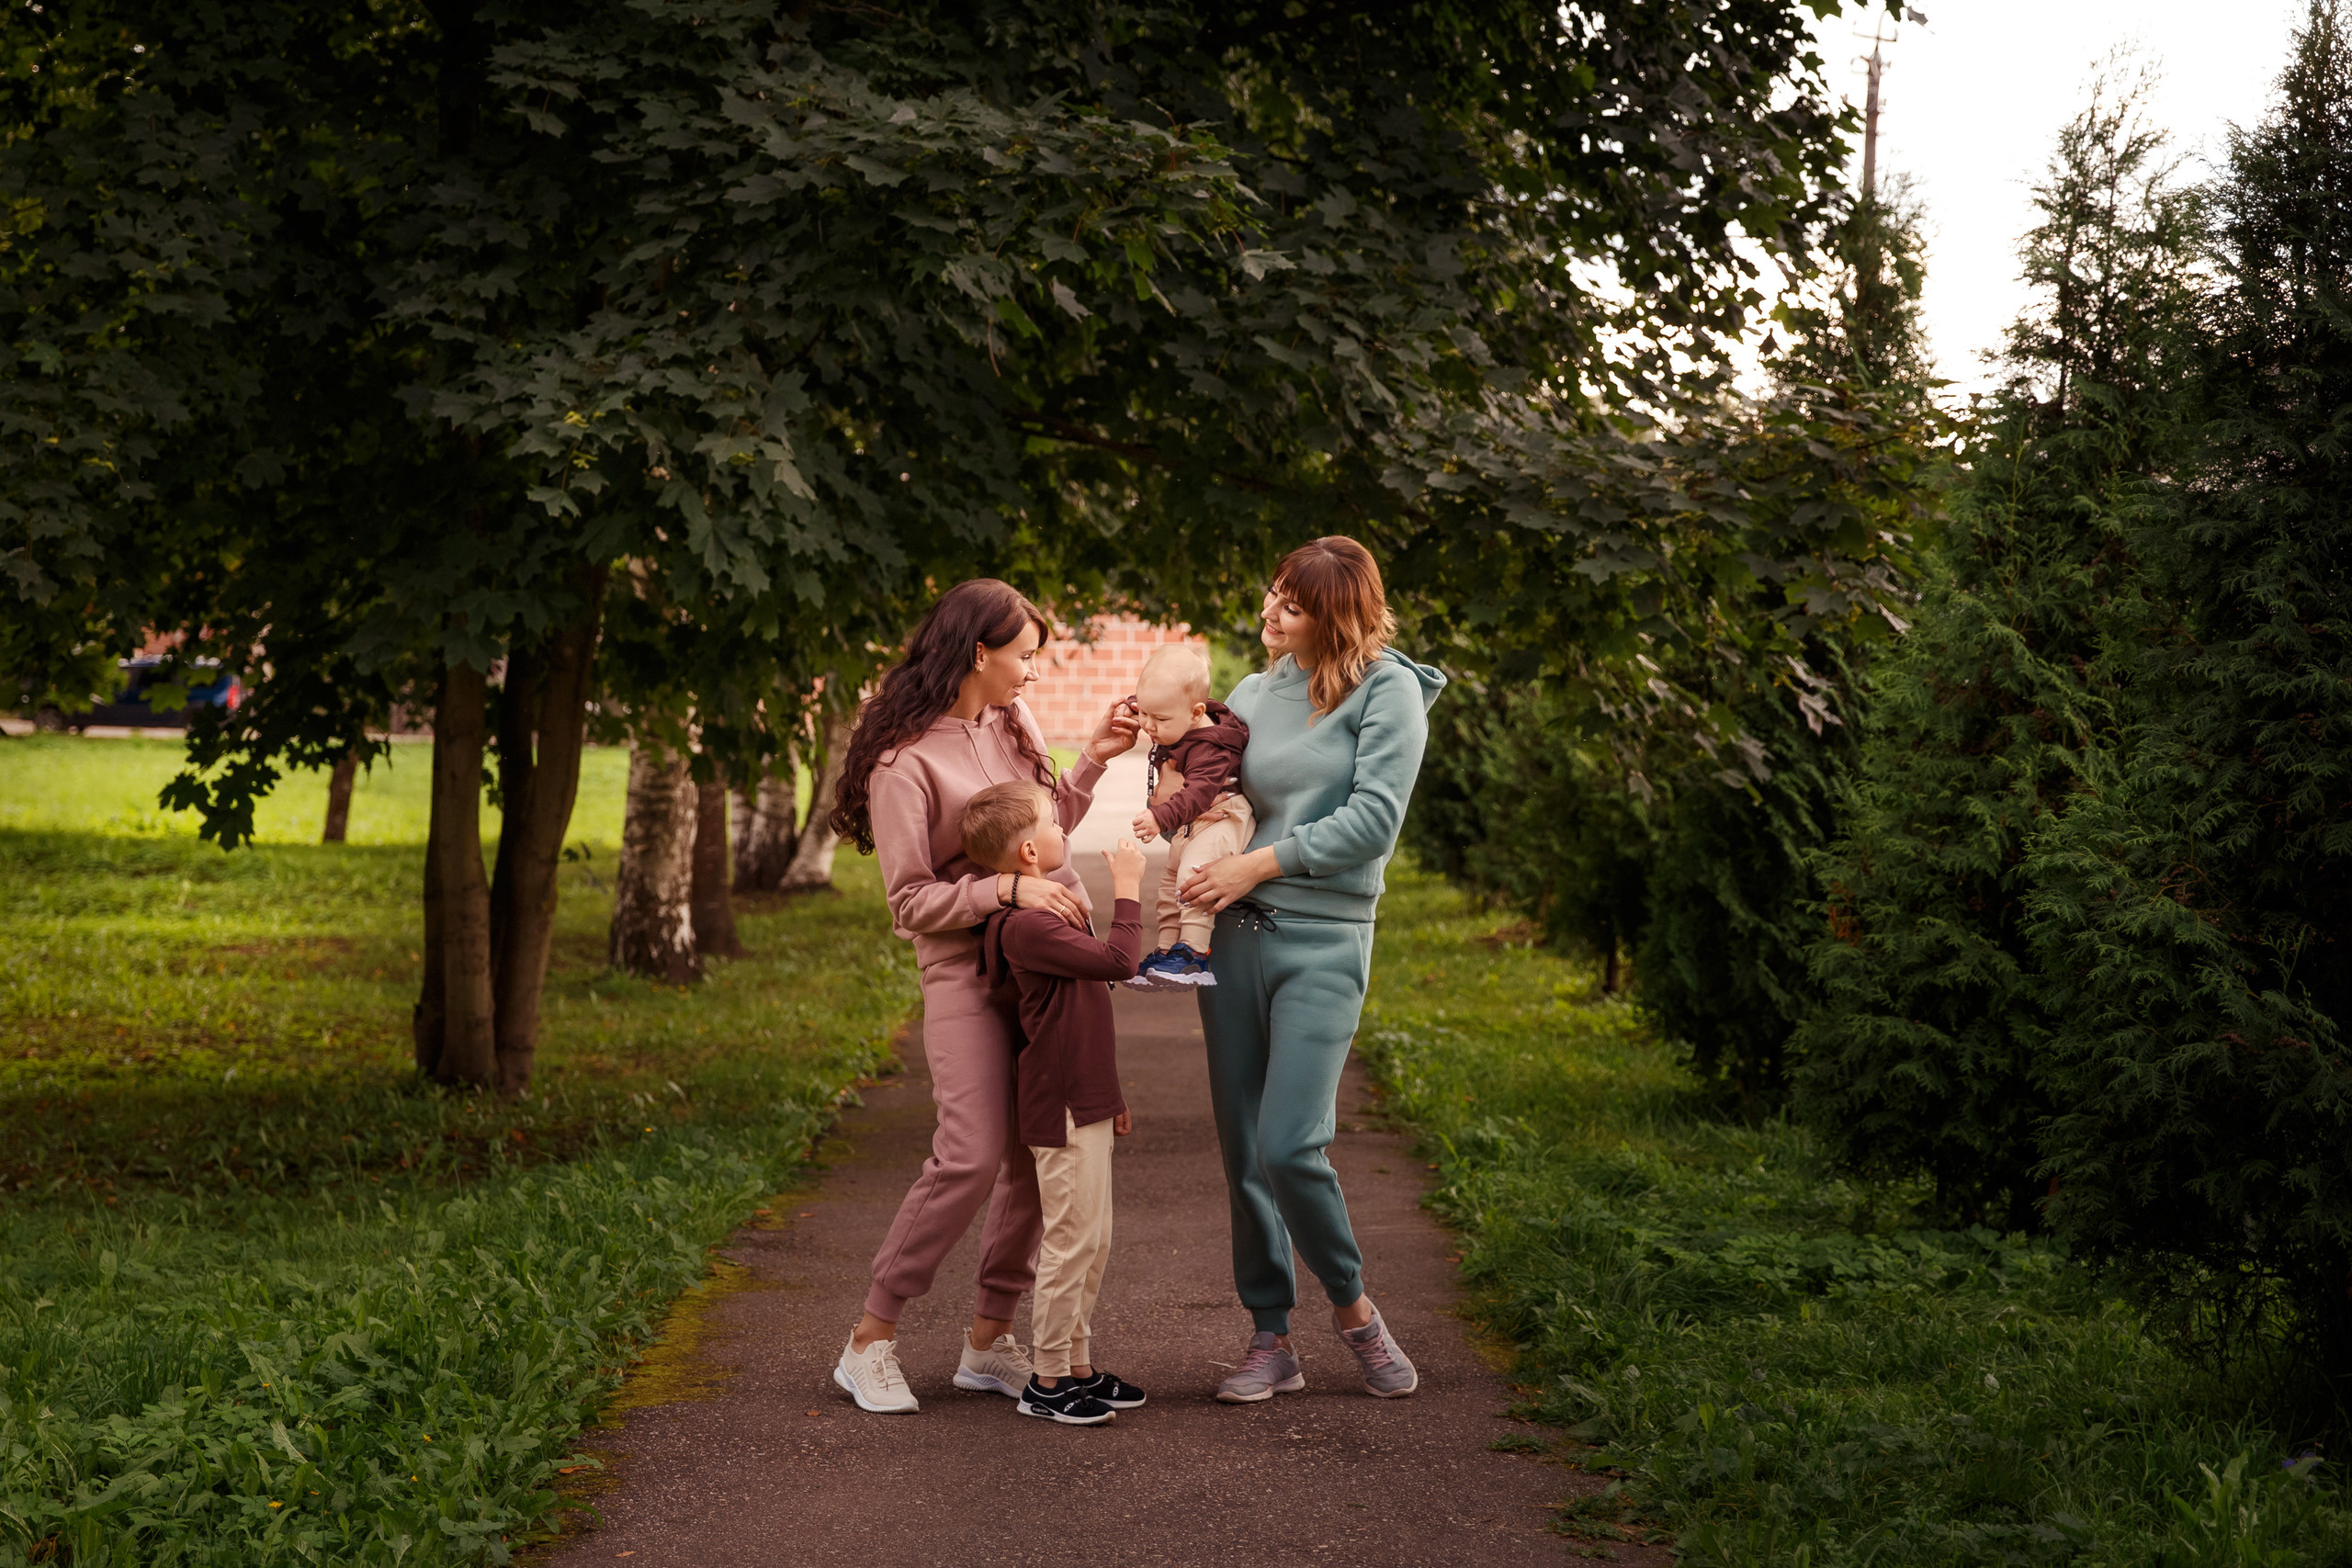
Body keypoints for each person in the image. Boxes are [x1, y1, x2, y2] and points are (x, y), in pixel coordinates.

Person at [827, 580, 1138, 1416]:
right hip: (967, 971)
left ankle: (988, 1340)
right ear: (978, 653)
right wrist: (1005, 893)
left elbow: (1040, 831)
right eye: (1025, 657)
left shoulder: (1010, 722)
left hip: (1044, 969)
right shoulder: (902, 761)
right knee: (968, 1153)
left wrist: (1094, 760)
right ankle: (869, 1340)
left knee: (1043, 1157)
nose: (1033, 674)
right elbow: (910, 903)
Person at [1177, 536, 1447, 1403]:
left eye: (1290, 605)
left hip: (1325, 941)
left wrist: (1257, 863)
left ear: (1335, 614)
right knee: (1241, 1151)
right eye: (1271, 595)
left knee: (1290, 1144)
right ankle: (1270, 1337)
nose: (1269, 614)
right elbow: (1220, 781)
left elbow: (1373, 821)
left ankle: (1356, 1312)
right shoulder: (1256, 691)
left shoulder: (1390, 690)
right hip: (1233, 940)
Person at [964, 781, 1152, 1424]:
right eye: (1052, 821)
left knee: (1094, 1238)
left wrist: (1114, 1094)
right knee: (1070, 1240)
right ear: (1027, 851)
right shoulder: (1024, 926)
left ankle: (1077, 1364)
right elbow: (1119, 961)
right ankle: (1046, 1380)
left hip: (1086, 1094)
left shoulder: (1048, 912)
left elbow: (1086, 1018)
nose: (1061, 829)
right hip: (1061, 1101)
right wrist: (1128, 886)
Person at [1123, 644, 1252, 989]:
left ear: (1196, 712)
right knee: (1167, 888)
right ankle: (1168, 952)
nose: (1148, 725)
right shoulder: (1179, 722)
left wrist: (1159, 818)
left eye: (1160, 719)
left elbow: (1197, 794)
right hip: (1193, 823)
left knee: (1191, 881)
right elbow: (1160, 706)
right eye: (1143, 712)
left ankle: (1194, 954)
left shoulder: (1211, 747)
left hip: (1220, 818)